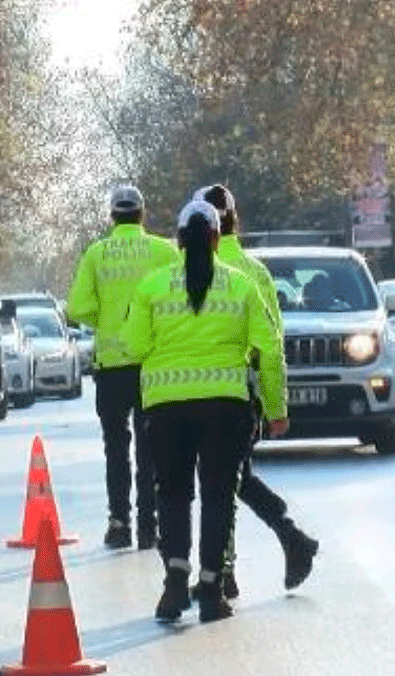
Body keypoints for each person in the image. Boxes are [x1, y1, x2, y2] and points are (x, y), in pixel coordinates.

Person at [121, 200, 288, 623]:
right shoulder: (240, 286)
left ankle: (175, 583)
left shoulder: (152, 287)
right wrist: (275, 408)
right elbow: (269, 349)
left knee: (173, 494)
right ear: (217, 238)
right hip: (225, 409)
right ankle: (212, 591)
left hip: (165, 411)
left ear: (178, 241)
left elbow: (136, 347)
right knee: (217, 496)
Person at [196, 184, 318, 598]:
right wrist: (274, 404)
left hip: (203, 392)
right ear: (233, 220)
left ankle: (232, 566)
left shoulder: (187, 269)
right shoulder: (256, 272)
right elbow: (273, 345)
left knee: (224, 481)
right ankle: (254, 555)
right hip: (242, 391)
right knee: (230, 479)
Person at [66, 185, 180, 550]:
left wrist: (109, 322)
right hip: (152, 364)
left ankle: (119, 524)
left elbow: (77, 308)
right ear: (142, 215)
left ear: (112, 216)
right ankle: (149, 526)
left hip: (112, 366)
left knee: (115, 447)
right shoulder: (164, 251)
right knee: (151, 449)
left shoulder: (97, 254)